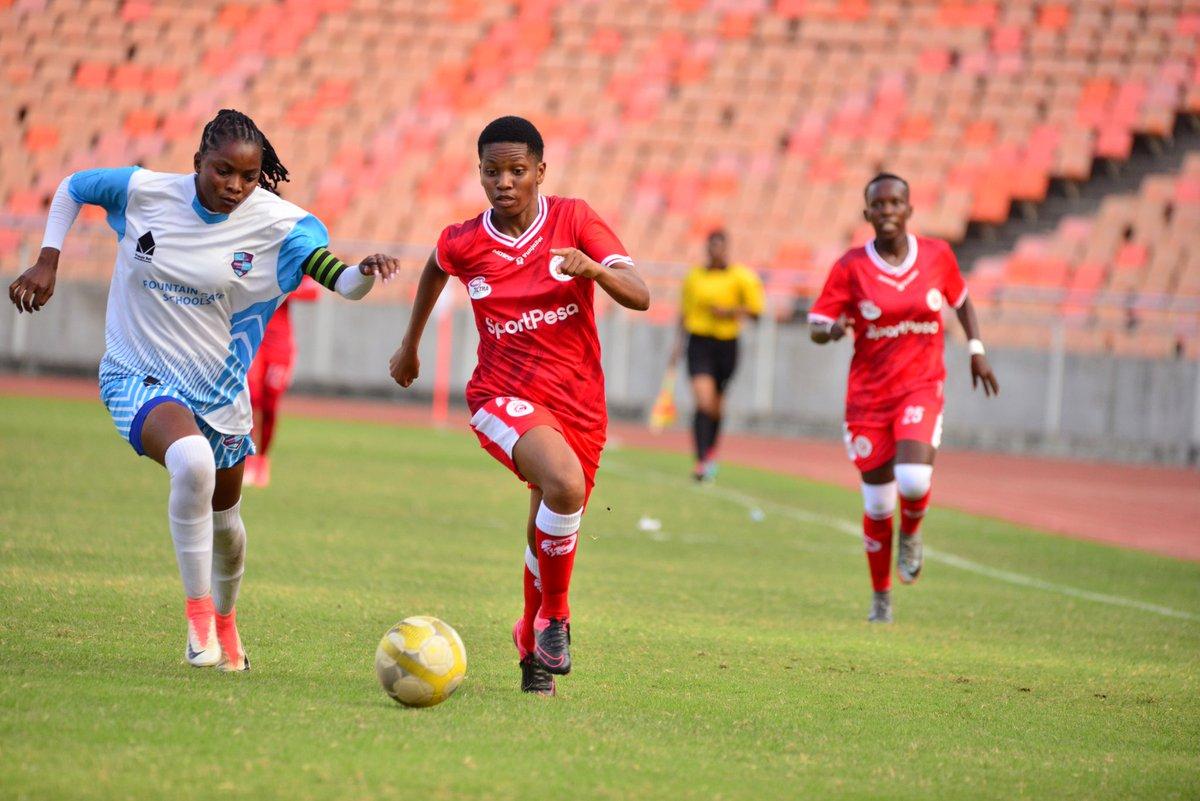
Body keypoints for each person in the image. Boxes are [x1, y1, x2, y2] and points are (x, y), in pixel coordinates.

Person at [7, 109, 400, 670]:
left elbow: (341, 281)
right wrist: (47, 259)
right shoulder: (145, 193)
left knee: (228, 527)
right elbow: (73, 187)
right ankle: (197, 622)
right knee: (190, 463)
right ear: (197, 163)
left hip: (219, 393)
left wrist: (365, 270)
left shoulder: (278, 225)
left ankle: (226, 619)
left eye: (247, 176)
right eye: (222, 172)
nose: (235, 187)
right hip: (135, 371)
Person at [388, 116, 649, 696]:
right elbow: (436, 265)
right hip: (500, 395)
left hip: (580, 405)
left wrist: (594, 268)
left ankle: (531, 648)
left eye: (516, 170)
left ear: (540, 172)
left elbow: (641, 295)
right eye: (491, 171)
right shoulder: (466, 240)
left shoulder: (574, 220)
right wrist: (411, 344)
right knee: (563, 484)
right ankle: (556, 616)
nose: (504, 181)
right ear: (479, 173)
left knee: (548, 522)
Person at [808, 173, 999, 623]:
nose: (888, 210)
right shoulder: (851, 266)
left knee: (912, 479)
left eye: (896, 203)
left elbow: (963, 300)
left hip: (920, 386)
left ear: (910, 210)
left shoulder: (937, 255)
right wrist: (832, 329)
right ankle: (881, 597)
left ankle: (911, 535)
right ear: (867, 213)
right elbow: (816, 323)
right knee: (877, 504)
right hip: (868, 398)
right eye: (879, 204)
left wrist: (977, 350)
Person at [668, 229, 764, 481]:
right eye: (711, 247)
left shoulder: (741, 277)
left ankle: (710, 452)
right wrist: (677, 346)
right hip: (699, 342)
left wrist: (731, 312)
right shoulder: (694, 277)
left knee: (716, 407)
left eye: (720, 247)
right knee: (703, 401)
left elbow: (756, 312)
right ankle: (700, 461)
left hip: (727, 344)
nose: (715, 252)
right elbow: (684, 313)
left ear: (727, 248)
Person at [243, 275, 320, 487]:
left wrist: (280, 288)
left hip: (279, 344)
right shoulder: (254, 251)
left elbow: (313, 291)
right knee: (250, 397)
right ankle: (247, 458)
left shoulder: (292, 252)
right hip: (251, 338)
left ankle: (262, 459)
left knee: (270, 404)